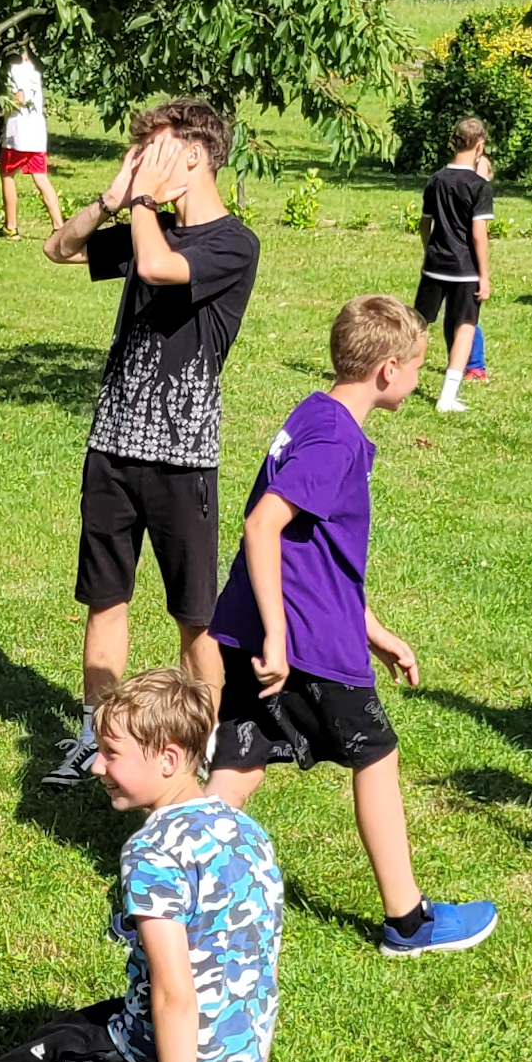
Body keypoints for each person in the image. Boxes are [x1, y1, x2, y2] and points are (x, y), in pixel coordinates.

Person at [206, 296, 497, 957]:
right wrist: (281, 637)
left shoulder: (316, 413)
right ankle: (408, 920)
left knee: (242, 761)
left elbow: (318, 551)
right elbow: (264, 525)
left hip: (251, 623)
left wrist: (376, 629)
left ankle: (158, 900)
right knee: (376, 753)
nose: (420, 379)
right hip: (303, 643)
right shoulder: (336, 441)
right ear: (389, 371)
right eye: (419, 367)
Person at [0, 668, 281, 1062]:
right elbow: (261, 960)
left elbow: (174, 994)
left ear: (169, 759)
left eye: (111, 753)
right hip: (239, 1060)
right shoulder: (245, 830)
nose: (96, 765)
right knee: (59, 1032)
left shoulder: (153, 853)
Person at [40, 98, 259, 785]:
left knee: (194, 617)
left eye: (153, 150)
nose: (138, 163)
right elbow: (59, 248)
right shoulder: (144, 225)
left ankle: (212, 742)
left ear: (193, 158)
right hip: (113, 446)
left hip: (182, 459)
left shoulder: (231, 243)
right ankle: (94, 736)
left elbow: (162, 268)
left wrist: (139, 205)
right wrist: (110, 200)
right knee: (105, 599)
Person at [415, 119, 496, 414]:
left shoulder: (435, 179)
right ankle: (447, 397)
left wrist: (430, 251)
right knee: (464, 327)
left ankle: (407, 378)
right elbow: (478, 234)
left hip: (434, 264)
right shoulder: (479, 186)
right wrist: (484, 276)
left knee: (420, 323)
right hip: (466, 269)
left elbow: (425, 224)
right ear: (480, 146)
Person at [0, 49, 54, 239]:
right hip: (37, 134)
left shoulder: (15, 69)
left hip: (18, 134)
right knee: (41, 178)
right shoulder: (34, 72)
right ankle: (59, 226)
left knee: (7, 174)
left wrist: (0, 109)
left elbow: (19, 98)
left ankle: (11, 226)